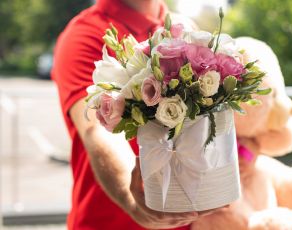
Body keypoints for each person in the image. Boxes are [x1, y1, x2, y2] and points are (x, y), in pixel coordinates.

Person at [52, 0, 217, 229]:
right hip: (110, 222)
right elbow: (96, 129)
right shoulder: (84, 35)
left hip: (183, 219)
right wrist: (132, 201)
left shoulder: (185, 27)